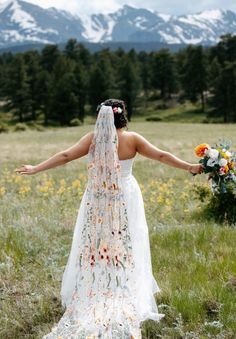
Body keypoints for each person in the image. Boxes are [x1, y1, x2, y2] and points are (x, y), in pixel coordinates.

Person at [15, 99, 203, 338]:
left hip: (97, 198)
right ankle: (124, 289)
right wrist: (189, 166)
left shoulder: (92, 138)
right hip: (125, 196)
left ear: (100, 117)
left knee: (96, 245)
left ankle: (97, 290)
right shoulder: (132, 139)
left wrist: (35, 168)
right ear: (123, 115)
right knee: (127, 243)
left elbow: (65, 156)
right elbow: (162, 156)